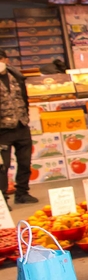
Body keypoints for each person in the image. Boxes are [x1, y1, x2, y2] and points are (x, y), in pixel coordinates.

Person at [0, 49, 37, 205]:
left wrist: (26, 117)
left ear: (6, 60)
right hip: (2, 130)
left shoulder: (16, 75)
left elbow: (24, 97)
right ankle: (2, 200)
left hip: (21, 126)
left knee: (25, 161)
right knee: (3, 166)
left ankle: (22, 193)